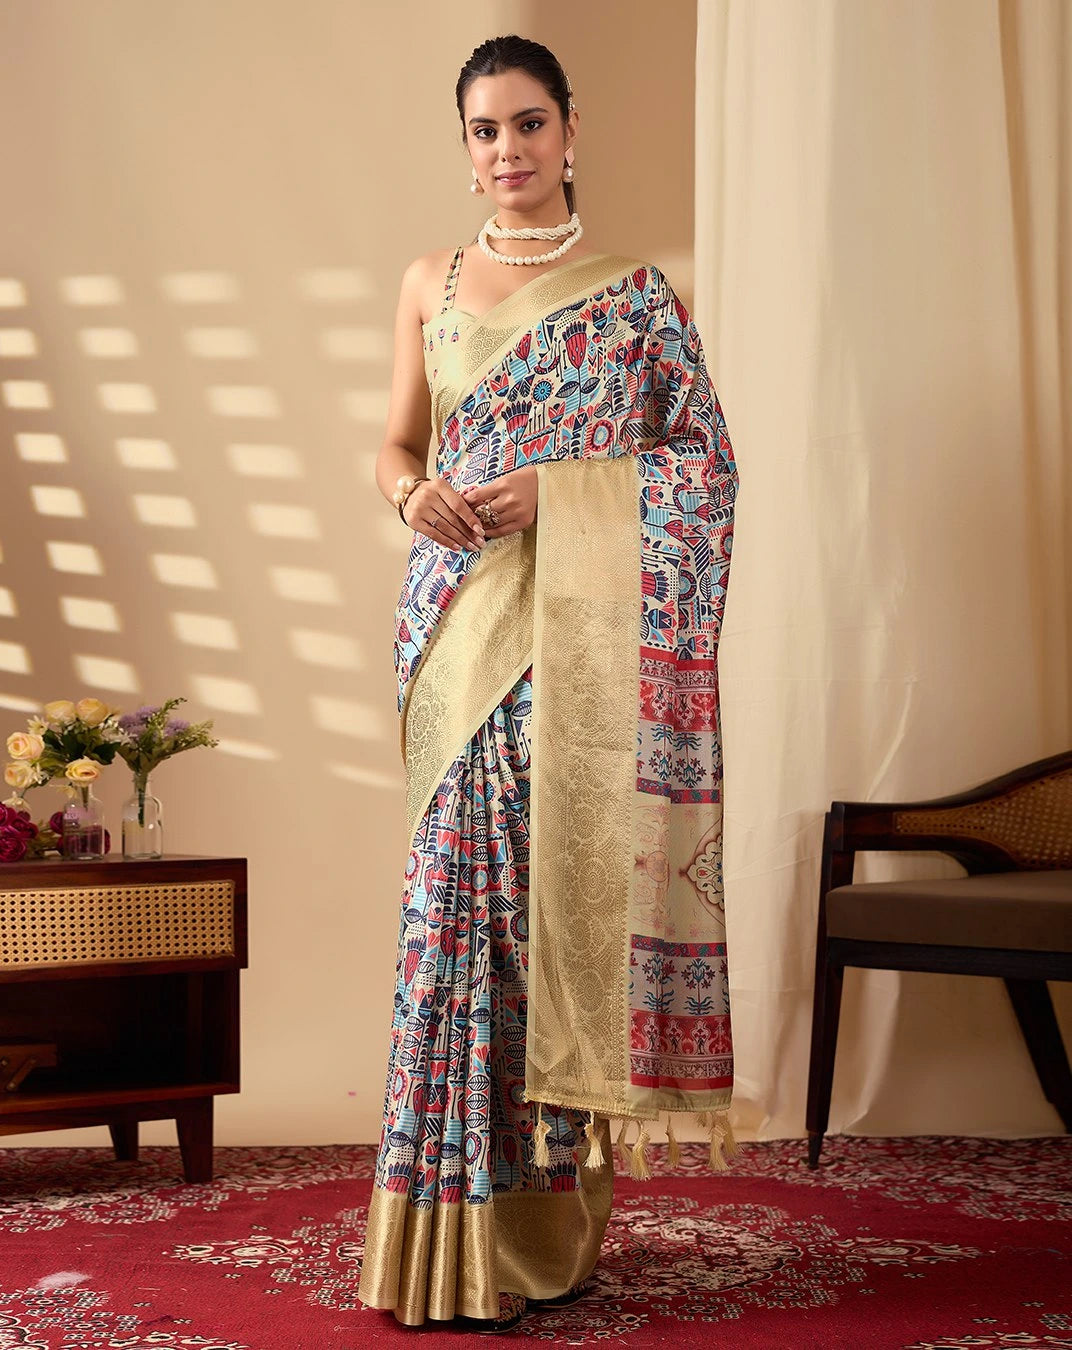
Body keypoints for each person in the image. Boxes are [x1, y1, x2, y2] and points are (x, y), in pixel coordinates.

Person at [355, 33, 741, 1336]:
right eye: (482, 130)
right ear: (462, 145)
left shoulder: (633, 296)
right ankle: (436, 1239)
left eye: (527, 124)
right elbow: (397, 441)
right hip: (451, 628)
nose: (505, 151)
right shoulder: (430, 281)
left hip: (569, 647)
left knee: (544, 922)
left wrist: (562, 495)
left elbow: (704, 468)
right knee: (449, 923)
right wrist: (414, 493)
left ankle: (541, 1230)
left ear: (572, 130)